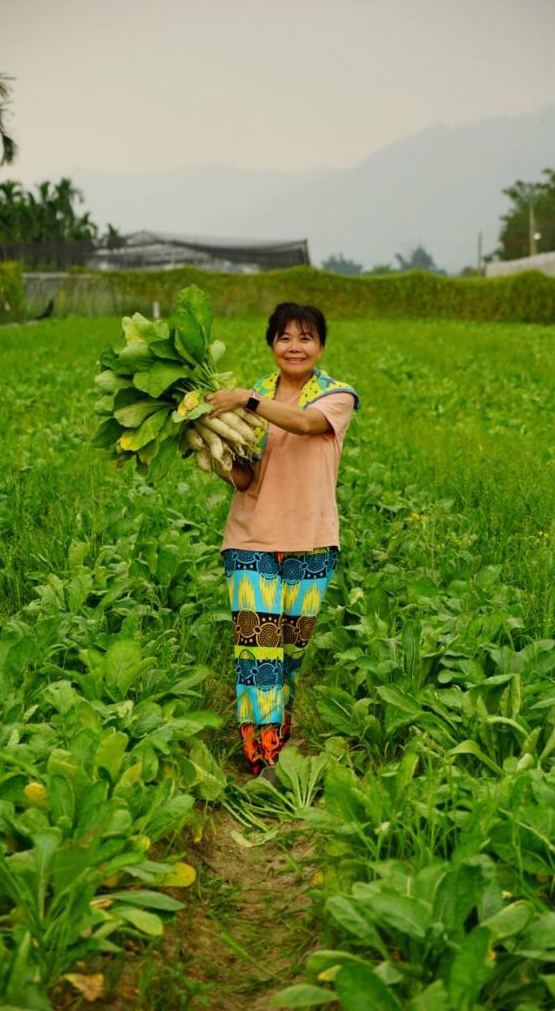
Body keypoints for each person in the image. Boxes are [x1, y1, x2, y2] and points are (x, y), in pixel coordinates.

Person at [204, 302, 359, 778]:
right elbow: (247, 479)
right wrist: (209, 448)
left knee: (289, 654)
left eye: (305, 337)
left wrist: (245, 401)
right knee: (259, 652)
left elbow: (307, 425)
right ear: (272, 344)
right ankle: (264, 761)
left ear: (321, 346)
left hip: (311, 541)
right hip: (251, 537)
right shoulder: (249, 402)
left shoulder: (337, 396)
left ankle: (278, 731)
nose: (294, 346)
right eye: (285, 337)